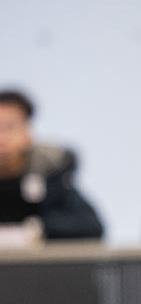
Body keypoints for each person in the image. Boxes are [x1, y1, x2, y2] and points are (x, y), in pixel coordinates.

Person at [0, 90, 104, 239]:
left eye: (10, 127)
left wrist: (38, 230)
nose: (2, 138)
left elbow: (90, 227)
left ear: (28, 133)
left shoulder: (50, 172)